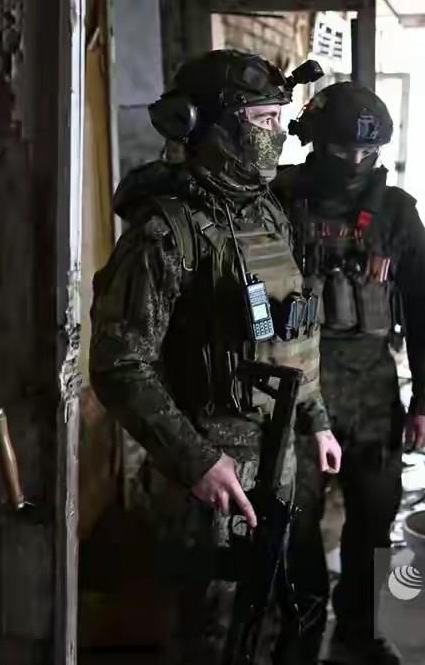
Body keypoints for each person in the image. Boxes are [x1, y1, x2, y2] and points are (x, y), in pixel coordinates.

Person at [88, 49, 342, 664]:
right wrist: (198, 461)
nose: (279, 133)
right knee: (209, 634)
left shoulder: (267, 212)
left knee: (270, 621)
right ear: (209, 127)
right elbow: (119, 365)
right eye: (264, 120)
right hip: (208, 481)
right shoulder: (164, 233)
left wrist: (316, 418)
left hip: (277, 459)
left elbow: (289, 330)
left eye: (280, 118)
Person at [271, 81, 425, 664]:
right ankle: (300, 629)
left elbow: (424, 307)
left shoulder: (396, 214)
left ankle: (358, 631)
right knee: (294, 519)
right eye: (344, 150)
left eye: (369, 152)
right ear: (317, 143)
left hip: (371, 389)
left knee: (374, 515)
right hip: (293, 390)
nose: (357, 162)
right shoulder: (278, 200)